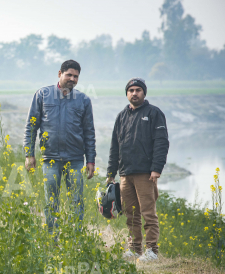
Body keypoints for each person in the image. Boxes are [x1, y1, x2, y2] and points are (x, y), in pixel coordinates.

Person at [24, 60, 96, 235]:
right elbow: (31, 126)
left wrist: (91, 160)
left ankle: (75, 240)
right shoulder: (43, 94)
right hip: (50, 159)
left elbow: (89, 132)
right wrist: (29, 154)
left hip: (76, 159)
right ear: (59, 74)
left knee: (76, 201)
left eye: (76, 76)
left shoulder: (83, 100)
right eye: (69, 75)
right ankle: (52, 239)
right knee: (51, 201)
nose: (72, 79)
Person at [106, 78, 169, 262]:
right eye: (131, 90)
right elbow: (114, 147)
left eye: (138, 90)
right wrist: (111, 173)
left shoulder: (154, 113)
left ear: (144, 93)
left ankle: (152, 251)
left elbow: (161, 142)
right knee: (130, 214)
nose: (134, 93)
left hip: (145, 174)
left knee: (148, 213)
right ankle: (135, 249)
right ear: (127, 93)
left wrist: (156, 168)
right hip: (125, 174)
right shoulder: (121, 116)